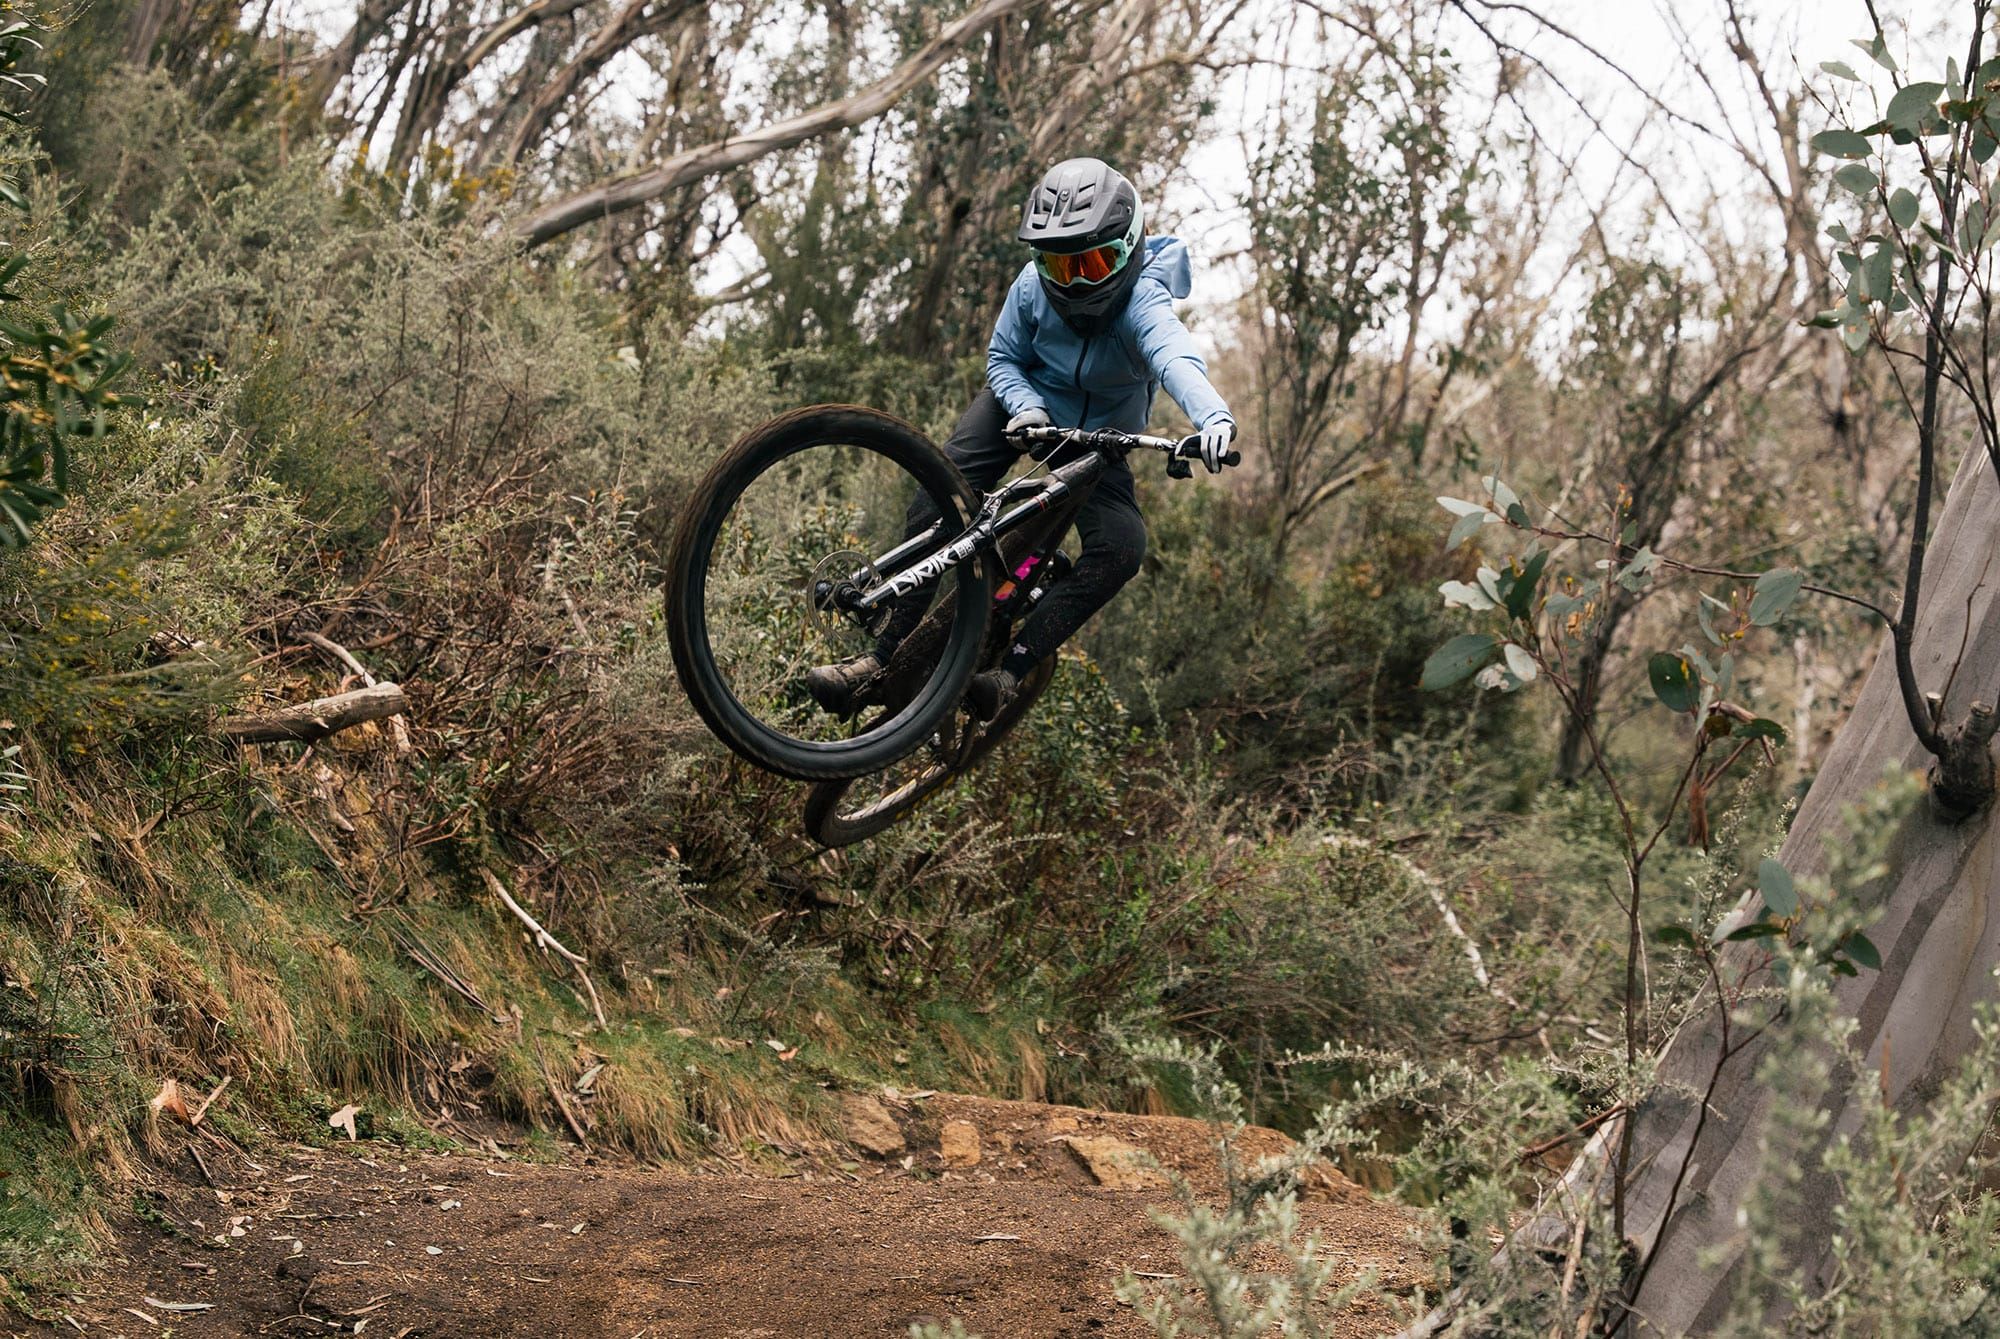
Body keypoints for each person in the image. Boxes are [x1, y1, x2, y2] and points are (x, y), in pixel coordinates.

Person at [807, 157, 1236, 720]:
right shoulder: (1032, 287)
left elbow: (1174, 356)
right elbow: (1003, 357)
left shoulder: (1142, 301)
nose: (1076, 279)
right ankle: (878, 660)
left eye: (1093, 261)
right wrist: (1026, 407)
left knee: (1121, 548)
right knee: (937, 501)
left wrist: (1214, 420)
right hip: (1020, 407)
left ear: (1128, 248)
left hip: (1098, 440)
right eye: (1061, 265)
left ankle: (1011, 671)